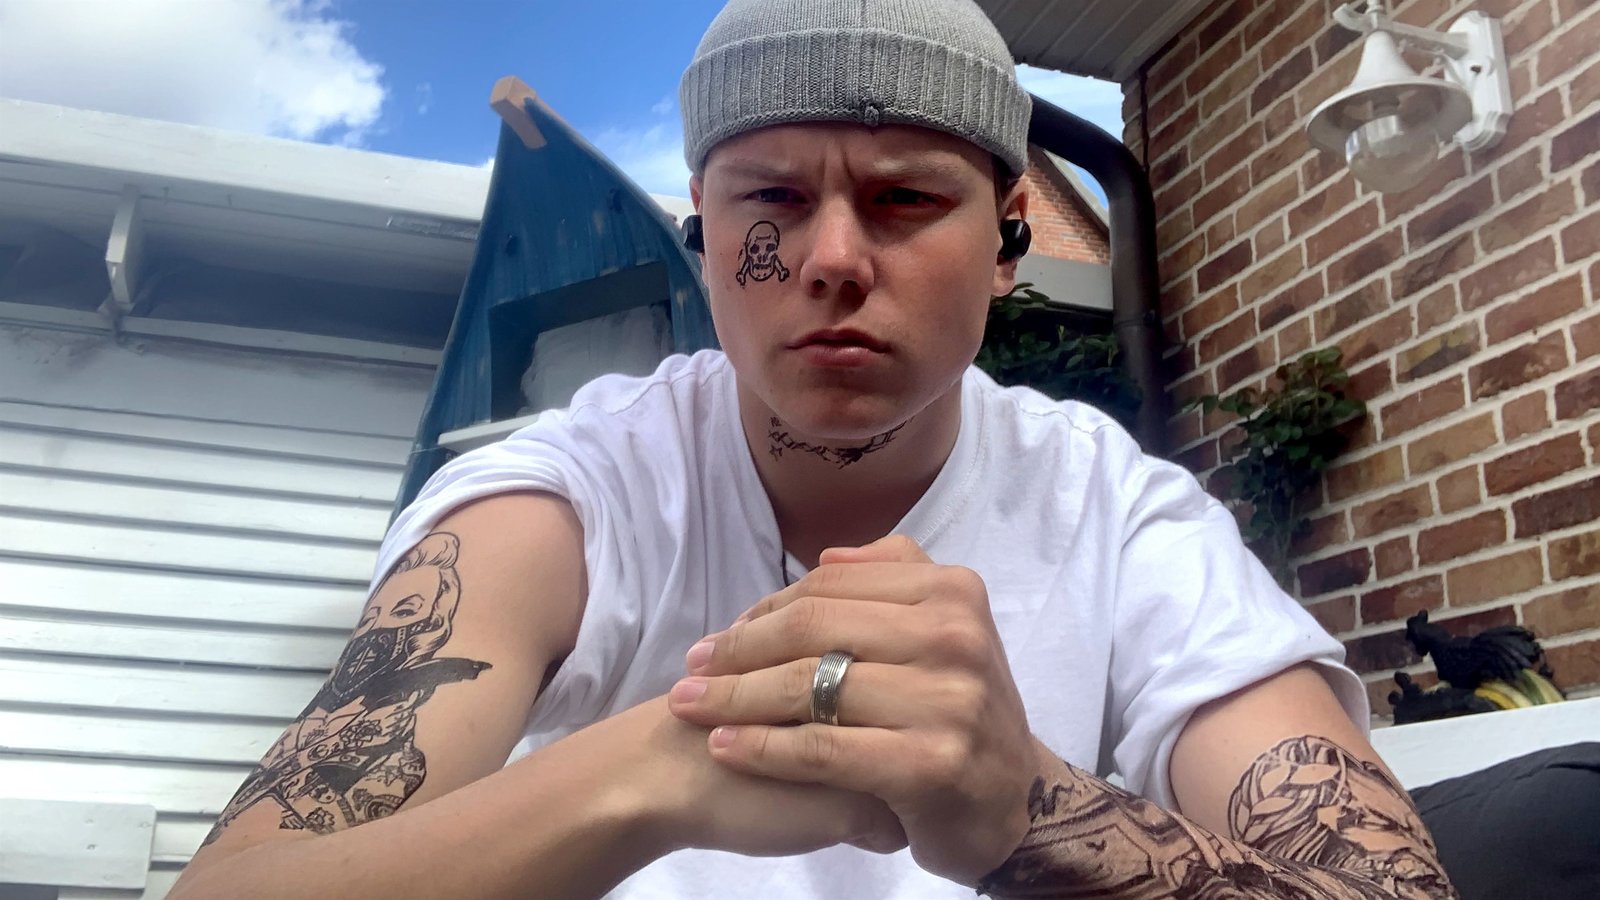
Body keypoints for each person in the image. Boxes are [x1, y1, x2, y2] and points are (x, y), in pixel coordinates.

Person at [171, 1, 1457, 897]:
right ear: (703, 232)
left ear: (1009, 241)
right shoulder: (569, 496)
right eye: (774, 198)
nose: (833, 259)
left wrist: (1029, 810)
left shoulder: (1115, 515)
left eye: (905, 197)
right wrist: (656, 767)